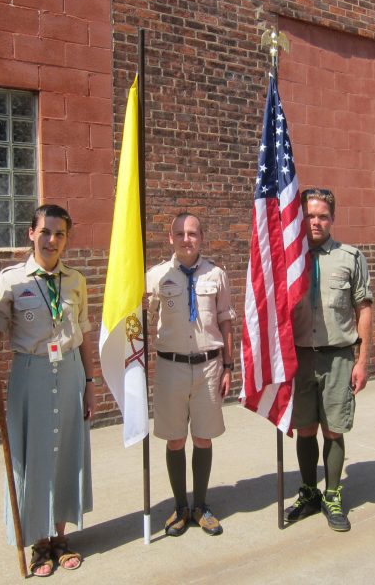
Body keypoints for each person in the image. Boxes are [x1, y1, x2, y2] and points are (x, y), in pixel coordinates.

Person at [0, 204, 96, 577]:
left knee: (66, 455)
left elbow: (83, 335)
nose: (51, 240)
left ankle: (60, 537)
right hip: (32, 374)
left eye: (60, 234)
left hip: (71, 373)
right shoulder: (11, 281)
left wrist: (90, 384)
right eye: (45, 232)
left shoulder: (75, 280)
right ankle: (39, 542)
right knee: (35, 457)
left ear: (67, 239)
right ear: (31, 233)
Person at [283, 188, 373, 532]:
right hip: (300, 357)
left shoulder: (350, 257)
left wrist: (362, 361)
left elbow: (364, 309)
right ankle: (309, 492)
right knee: (305, 429)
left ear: (332, 219)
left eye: (322, 215)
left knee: (334, 429)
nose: (316, 221)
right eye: (310, 215)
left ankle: (332, 494)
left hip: (338, 357)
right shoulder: (288, 259)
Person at [146, 213, 235, 537]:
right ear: (170, 237)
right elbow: (139, 320)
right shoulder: (156, 276)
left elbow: (225, 321)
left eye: (193, 233)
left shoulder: (216, 275)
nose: (187, 239)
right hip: (171, 367)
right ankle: (180, 507)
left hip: (209, 367)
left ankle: (201, 505)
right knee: (175, 439)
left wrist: (228, 366)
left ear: (201, 238)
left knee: (203, 437)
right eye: (181, 233)